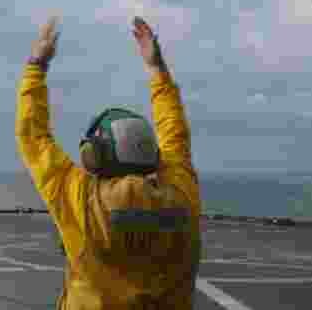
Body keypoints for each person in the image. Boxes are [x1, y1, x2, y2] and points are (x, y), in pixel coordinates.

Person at [16, 16, 201, 309]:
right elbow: (175, 133)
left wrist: (36, 66)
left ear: (94, 156)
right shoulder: (181, 194)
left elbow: (32, 136)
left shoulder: (81, 200)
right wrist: (157, 68)